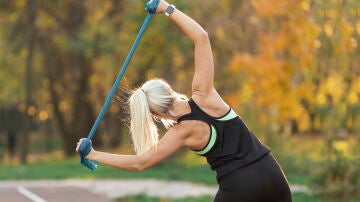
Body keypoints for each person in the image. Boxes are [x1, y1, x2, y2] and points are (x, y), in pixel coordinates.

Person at [76, 1, 292, 201]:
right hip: (271, 173)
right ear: (167, 88)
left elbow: (140, 163)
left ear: (155, 115)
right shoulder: (204, 94)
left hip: (239, 186)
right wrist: (167, 8)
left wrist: (94, 154)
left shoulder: (180, 133)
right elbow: (201, 37)